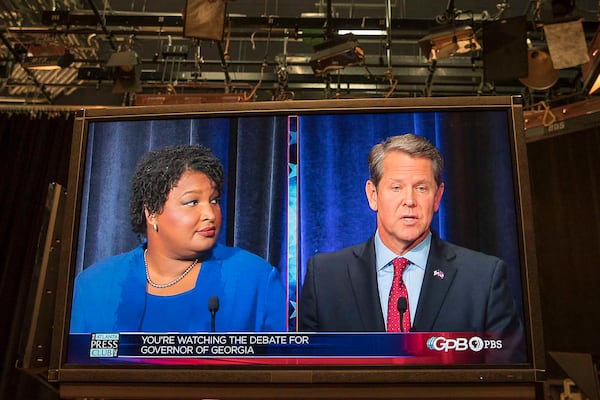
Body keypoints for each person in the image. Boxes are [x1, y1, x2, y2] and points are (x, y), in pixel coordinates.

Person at [298, 134, 525, 361]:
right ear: (373, 195)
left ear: (437, 197)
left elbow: (507, 377)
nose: (409, 200)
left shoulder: (484, 277)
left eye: (421, 188)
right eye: (396, 187)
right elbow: (307, 374)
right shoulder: (325, 276)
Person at [70, 144, 286, 333]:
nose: (210, 214)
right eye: (192, 202)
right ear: (152, 212)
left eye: (214, 200)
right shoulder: (94, 285)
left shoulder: (256, 278)